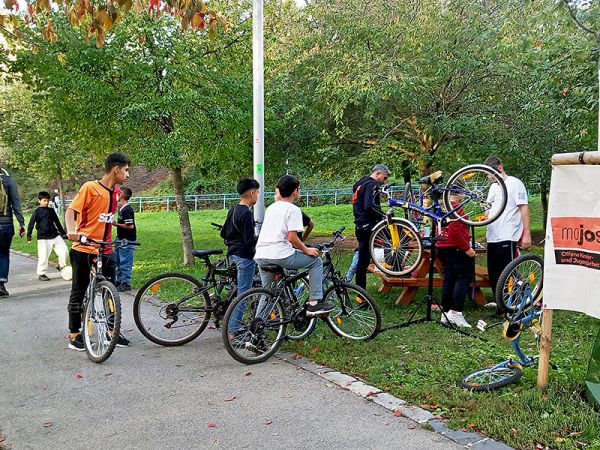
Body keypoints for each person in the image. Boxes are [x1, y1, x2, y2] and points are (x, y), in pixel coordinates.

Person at [65, 153, 130, 351]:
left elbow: (107, 219)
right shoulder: (90, 188)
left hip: (105, 247)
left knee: (109, 291)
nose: (128, 174)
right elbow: (70, 212)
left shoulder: (116, 193)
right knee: (79, 290)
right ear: (116, 169)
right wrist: (71, 231)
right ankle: (74, 334)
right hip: (84, 247)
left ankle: (112, 331)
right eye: (126, 170)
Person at [254, 175, 334, 316]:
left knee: (268, 294)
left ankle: (256, 328)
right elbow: (292, 237)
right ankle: (314, 303)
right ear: (295, 191)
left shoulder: (272, 208)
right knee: (316, 262)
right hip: (280, 254)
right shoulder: (293, 210)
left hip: (261, 254)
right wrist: (306, 249)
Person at [484, 156, 531, 304]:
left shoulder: (514, 183)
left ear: (499, 168)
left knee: (508, 272)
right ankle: (501, 305)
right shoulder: (493, 187)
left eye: (488, 174)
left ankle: (517, 303)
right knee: (494, 272)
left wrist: (527, 234)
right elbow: (488, 208)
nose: (487, 177)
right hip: (492, 235)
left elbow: (523, 208)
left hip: (508, 234)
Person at [221, 178, 260, 334]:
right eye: (257, 192)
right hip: (244, 258)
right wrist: (262, 238)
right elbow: (249, 241)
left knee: (237, 290)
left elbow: (223, 232)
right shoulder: (246, 214)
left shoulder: (234, 210)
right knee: (243, 294)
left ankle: (230, 321)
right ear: (251, 193)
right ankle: (234, 330)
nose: (258, 195)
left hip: (233, 254)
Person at [437, 192, 476, 328]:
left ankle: (445, 312)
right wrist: (467, 248)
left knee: (449, 279)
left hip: (442, 246)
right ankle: (456, 312)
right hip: (456, 247)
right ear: (458, 194)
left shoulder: (441, 206)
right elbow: (455, 232)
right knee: (463, 278)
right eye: (462, 193)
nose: (463, 196)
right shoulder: (456, 208)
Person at [352, 164, 391, 289]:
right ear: (378, 173)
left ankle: (360, 293)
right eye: (384, 178)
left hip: (360, 225)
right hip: (368, 225)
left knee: (362, 261)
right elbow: (370, 206)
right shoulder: (371, 184)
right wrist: (383, 217)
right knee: (399, 232)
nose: (385, 181)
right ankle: (392, 265)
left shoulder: (360, 184)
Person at [26, 191, 70, 281]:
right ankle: (41, 273)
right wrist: (29, 236)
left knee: (64, 250)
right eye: (44, 200)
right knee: (43, 256)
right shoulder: (37, 212)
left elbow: (57, 222)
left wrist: (63, 234)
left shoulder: (51, 211)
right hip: (43, 238)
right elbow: (31, 224)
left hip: (55, 235)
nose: (46, 202)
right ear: (39, 201)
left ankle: (61, 266)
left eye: (47, 201)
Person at [0, 168, 26, 297]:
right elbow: (16, 204)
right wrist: (22, 224)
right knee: (4, 254)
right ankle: (1, 284)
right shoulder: (9, 181)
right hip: (6, 224)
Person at [113, 186, 136, 292]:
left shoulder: (127, 210)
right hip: (120, 238)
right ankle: (119, 281)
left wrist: (116, 224)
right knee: (118, 260)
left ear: (121, 195)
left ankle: (126, 283)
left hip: (127, 239)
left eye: (117, 193)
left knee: (125, 261)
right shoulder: (121, 209)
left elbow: (130, 226)